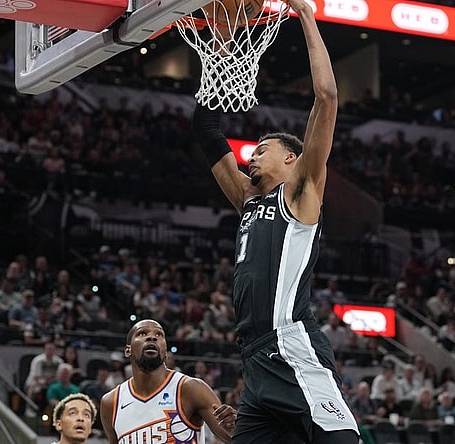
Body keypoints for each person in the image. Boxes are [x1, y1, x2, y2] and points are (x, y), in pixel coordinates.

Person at [191, 0, 358, 442]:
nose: (251, 155)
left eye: (261, 149)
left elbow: (327, 97)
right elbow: (206, 128)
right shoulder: (247, 198)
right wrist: (223, 38)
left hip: (292, 347)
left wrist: (304, 14)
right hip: (253, 360)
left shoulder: (301, 192)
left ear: (292, 158)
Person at [99, 319, 237, 444]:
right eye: (142, 333)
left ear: (165, 351)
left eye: (159, 335)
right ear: (128, 350)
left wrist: (234, 429)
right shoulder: (111, 403)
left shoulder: (190, 389)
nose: (152, 337)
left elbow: (234, 438)